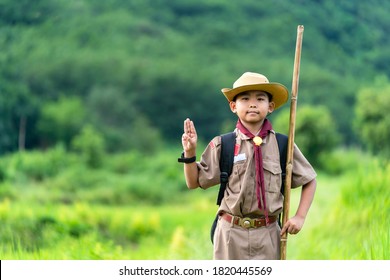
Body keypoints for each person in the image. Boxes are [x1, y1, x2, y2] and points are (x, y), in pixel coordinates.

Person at [178, 72, 317, 260]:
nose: (253, 103)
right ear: (233, 106)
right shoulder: (223, 144)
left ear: (271, 106)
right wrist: (190, 152)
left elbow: (309, 179)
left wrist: (300, 217)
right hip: (230, 233)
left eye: (260, 98)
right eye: (245, 98)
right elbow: (193, 182)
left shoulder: (283, 145)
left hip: (268, 234)